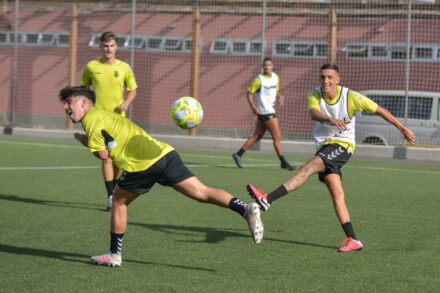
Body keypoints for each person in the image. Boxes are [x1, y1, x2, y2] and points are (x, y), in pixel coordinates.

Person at [59, 86, 264, 267]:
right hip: (164, 153)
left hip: (141, 166)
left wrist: (83, 141)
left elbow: (103, 155)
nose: (66, 107)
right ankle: (244, 208)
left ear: (84, 102)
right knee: (202, 191)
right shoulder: (105, 114)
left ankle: (114, 255)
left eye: (69, 102)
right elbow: (111, 141)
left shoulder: (91, 122)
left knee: (119, 201)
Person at [247, 63, 415, 252]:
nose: (325, 81)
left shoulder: (352, 97)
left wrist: (403, 129)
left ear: (337, 79)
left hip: (343, 145)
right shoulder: (314, 94)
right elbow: (313, 113)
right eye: (322, 77)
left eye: (329, 77)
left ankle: (267, 199)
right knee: (337, 194)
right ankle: (354, 239)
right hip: (325, 147)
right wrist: (330, 119)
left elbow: (381, 111)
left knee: (309, 167)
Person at [81, 31, 138, 210]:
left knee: (118, 159)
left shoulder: (124, 68)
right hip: (98, 119)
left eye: (112, 45)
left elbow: (133, 89)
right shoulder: (91, 66)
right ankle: (110, 195)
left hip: (118, 120)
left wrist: (126, 103)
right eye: (105, 46)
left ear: (116, 47)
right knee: (105, 158)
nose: (108, 49)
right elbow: (84, 89)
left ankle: (115, 191)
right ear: (100, 47)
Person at [232, 57, 295, 171]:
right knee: (277, 137)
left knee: (257, 136)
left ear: (273, 66)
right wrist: (253, 108)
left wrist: (280, 97)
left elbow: (275, 91)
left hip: (266, 112)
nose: (267, 67)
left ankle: (238, 154)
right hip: (266, 112)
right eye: (265, 65)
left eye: (269, 65)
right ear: (263, 67)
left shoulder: (276, 77)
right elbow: (249, 93)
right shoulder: (259, 79)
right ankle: (283, 162)